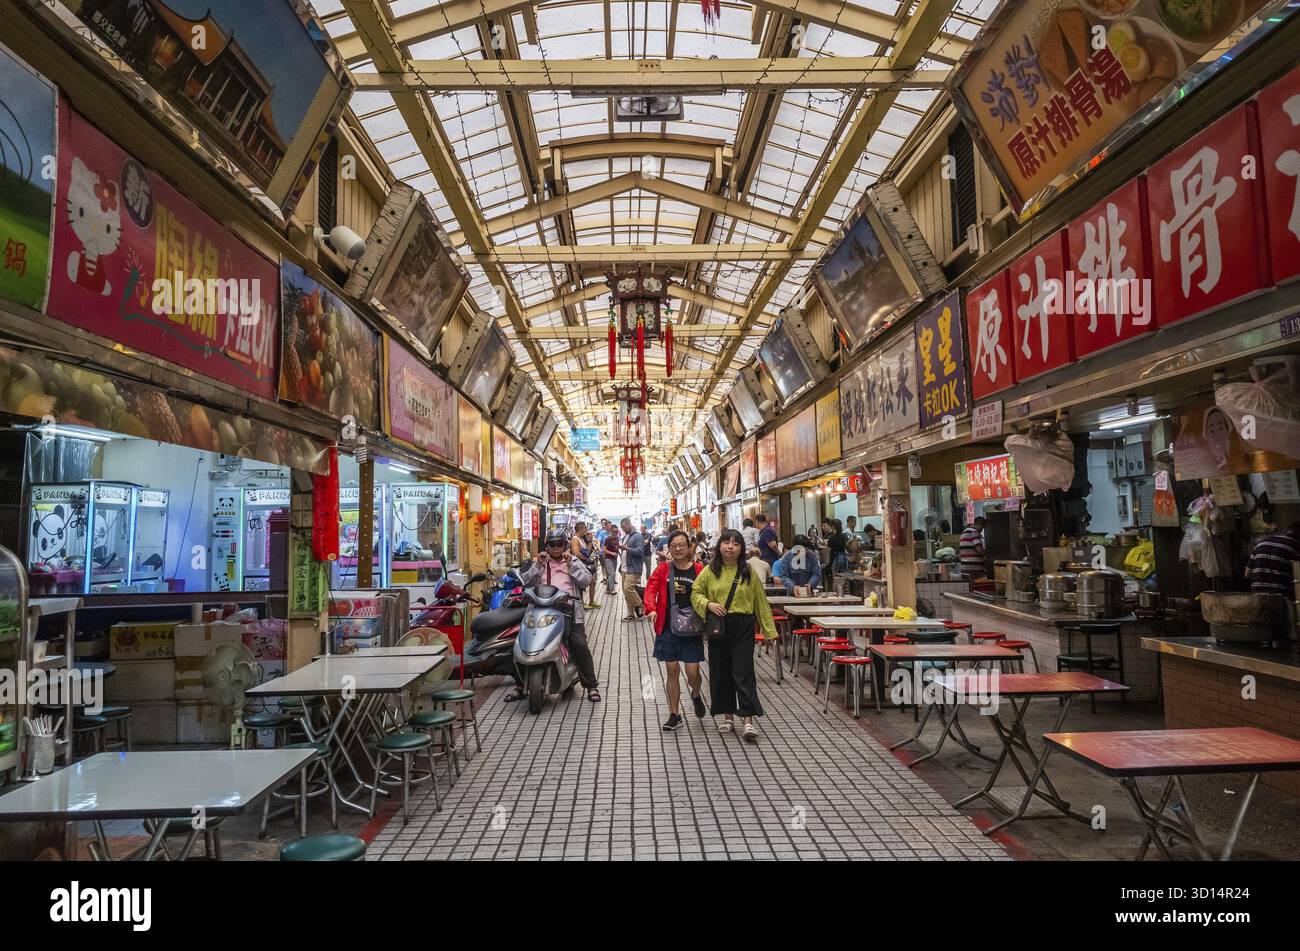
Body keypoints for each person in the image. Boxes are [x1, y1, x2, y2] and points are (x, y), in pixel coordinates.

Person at [692, 528, 777, 742]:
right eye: (727, 542)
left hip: (743, 625)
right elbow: (696, 593)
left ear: (741, 549)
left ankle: (748, 720)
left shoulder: (748, 571)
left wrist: (769, 630)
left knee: (743, 671)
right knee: (720, 671)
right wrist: (708, 604)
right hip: (719, 626)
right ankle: (727, 716)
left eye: (736, 543)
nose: (730, 546)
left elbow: (760, 601)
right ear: (719, 546)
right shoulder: (710, 570)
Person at [516, 529, 600, 702]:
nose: (555, 548)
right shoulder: (540, 562)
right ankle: (520, 684)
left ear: (565, 545)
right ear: (546, 546)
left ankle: (591, 686)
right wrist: (537, 565)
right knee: (522, 641)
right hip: (540, 610)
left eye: (559, 544)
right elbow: (526, 581)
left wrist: (572, 565)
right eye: (551, 544)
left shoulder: (574, 561)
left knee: (579, 643)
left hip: (569, 610)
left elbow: (586, 580)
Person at [643, 530, 708, 731]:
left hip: (692, 628)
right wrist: (651, 609)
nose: (678, 549)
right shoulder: (663, 570)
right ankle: (674, 714)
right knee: (672, 670)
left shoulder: (699, 570)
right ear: (668, 549)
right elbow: (650, 589)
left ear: (689, 547)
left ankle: (695, 693)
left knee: (692, 672)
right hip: (667, 627)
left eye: (682, 545)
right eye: (674, 545)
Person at [1246, 523, 1300, 596]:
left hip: (1257, 596)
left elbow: (1247, 574)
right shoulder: (1296, 546)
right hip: (1282, 597)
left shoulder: (1262, 543)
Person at [620, 517, 646, 621]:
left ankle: (642, 606)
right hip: (624, 569)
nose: (623, 529)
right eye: (621, 527)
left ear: (629, 524)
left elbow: (640, 551)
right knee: (626, 593)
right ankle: (631, 614)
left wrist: (626, 548)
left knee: (628, 588)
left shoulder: (638, 536)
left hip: (634, 568)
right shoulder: (626, 536)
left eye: (624, 527)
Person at [570, 521, 599, 609]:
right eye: (585, 528)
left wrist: (589, 540)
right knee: (582, 584)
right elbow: (576, 553)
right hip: (579, 564)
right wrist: (585, 559)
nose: (586, 530)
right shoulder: (575, 540)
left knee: (591, 581)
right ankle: (582, 603)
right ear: (580, 529)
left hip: (584, 563)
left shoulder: (582, 539)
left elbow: (588, 551)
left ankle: (591, 601)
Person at [823, 518, 847, 583]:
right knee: (843, 579)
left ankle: (836, 592)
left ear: (833, 526)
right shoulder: (844, 536)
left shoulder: (832, 537)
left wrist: (827, 562)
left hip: (835, 558)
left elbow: (828, 550)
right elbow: (846, 547)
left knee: (835, 579)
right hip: (843, 558)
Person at [601, 521, 620, 596]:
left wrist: (620, 554)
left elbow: (616, 547)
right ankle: (612, 589)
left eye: (617, 531)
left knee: (610, 574)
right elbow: (604, 549)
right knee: (612, 573)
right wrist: (612, 553)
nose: (616, 533)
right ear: (611, 531)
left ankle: (607, 589)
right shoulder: (608, 539)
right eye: (615, 531)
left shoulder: (617, 538)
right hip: (608, 558)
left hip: (615, 558)